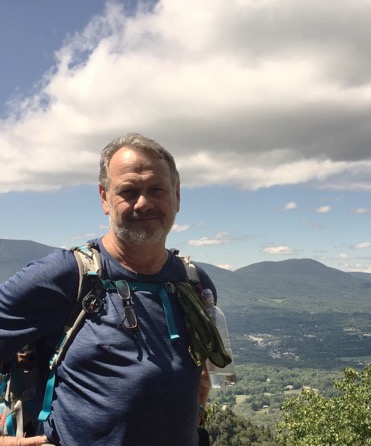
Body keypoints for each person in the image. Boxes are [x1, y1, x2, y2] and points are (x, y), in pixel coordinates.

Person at [0, 133, 216, 445]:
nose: (144, 203)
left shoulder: (194, 284)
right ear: (104, 198)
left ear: (177, 195)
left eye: (157, 189)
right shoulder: (64, 276)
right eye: (128, 191)